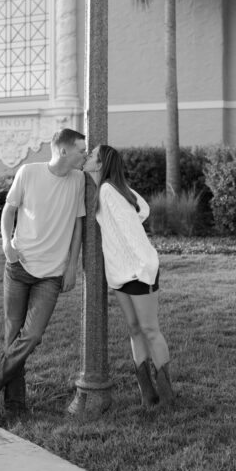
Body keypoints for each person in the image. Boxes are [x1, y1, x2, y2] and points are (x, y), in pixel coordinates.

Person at [0, 127, 87, 423]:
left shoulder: (78, 180)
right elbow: (9, 210)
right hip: (19, 267)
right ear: (63, 150)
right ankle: (15, 407)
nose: (84, 155)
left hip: (51, 274)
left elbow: (77, 227)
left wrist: (73, 264)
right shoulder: (29, 172)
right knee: (13, 338)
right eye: (80, 150)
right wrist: (5, 243)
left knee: (32, 336)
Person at [84, 144, 174, 409]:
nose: (87, 157)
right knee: (134, 329)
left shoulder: (109, 191)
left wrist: (145, 266)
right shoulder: (110, 188)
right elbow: (143, 209)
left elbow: (131, 230)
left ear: (100, 164)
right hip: (119, 273)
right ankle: (147, 393)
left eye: (92, 156)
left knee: (149, 329)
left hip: (139, 270)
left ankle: (166, 396)